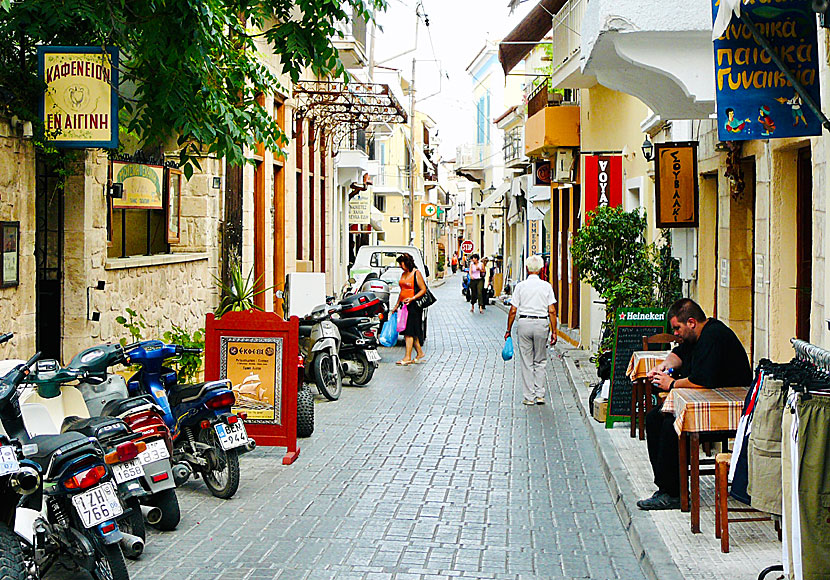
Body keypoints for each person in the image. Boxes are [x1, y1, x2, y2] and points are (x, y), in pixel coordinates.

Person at [637, 298, 752, 510]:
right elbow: (678, 354)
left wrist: (671, 383)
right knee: (655, 418)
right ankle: (667, 488)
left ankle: (673, 492)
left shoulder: (713, 336)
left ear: (691, 322)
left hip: (726, 409)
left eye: (677, 328)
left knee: (672, 427)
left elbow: (701, 380)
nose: (676, 333)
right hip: (708, 400)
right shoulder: (696, 337)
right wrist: (663, 367)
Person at [504, 255, 558, 406]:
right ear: (541, 269)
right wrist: (554, 331)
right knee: (540, 360)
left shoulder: (521, 286)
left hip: (524, 323)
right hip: (541, 323)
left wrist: (508, 329)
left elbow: (513, 310)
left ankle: (529, 396)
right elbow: (552, 311)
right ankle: (540, 394)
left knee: (527, 361)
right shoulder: (546, 286)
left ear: (527, 268)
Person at [390, 253, 427, 366]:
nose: (401, 266)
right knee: (412, 332)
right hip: (404, 305)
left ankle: (407, 357)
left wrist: (412, 298)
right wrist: (396, 305)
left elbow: (423, 289)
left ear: (407, 263)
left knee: (408, 333)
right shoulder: (403, 274)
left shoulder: (416, 273)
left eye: (402, 264)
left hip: (414, 306)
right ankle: (420, 353)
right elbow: (402, 292)